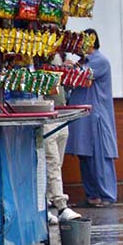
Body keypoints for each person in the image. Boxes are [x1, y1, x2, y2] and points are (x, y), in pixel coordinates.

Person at [66, 29, 118, 206]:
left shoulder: (100, 61)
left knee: (99, 156)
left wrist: (68, 68)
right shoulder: (84, 61)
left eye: (81, 42)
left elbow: (81, 76)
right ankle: (92, 195)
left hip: (96, 116)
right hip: (82, 116)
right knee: (85, 156)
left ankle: (107, 195)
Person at [44, 53, 81, 223]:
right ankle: (61, 205)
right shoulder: (41, 54)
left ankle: (47, 203)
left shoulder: (59, 54)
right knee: (52, 162)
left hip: (61, 112)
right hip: (47, 113)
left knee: (57, 163)